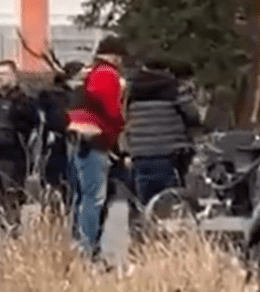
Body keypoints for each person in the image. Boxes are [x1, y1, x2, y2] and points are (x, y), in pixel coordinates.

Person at [67, 35, 127, 257]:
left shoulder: (88, 74)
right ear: (114, 55)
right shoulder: (108, 74)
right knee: (95, 198)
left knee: (82, 196)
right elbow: (111, 109)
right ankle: (88, 247)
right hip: (96, 141)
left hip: (77, 140)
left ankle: (79, 242)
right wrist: (119, 126)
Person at [125, 55, 202, 205]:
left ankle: (143, 224)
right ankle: (168, 225)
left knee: (143, 197)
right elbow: (192, 115)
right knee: (170, 197)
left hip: (140, 152)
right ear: (165, 69)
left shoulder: (131, 89)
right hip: (170, 151)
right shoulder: (175, 88)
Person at [0, 59, 40, 228]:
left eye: (5, 74)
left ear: (14, 76)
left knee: (11, 199)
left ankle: (12, 233)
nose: (1, 78)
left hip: (13, 157)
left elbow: (34, 127)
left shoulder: (24, 101)